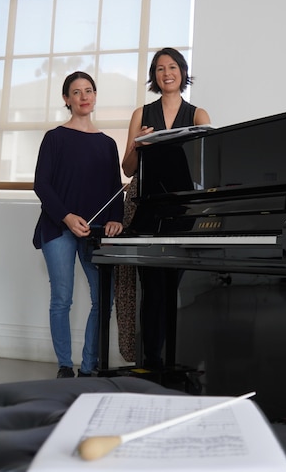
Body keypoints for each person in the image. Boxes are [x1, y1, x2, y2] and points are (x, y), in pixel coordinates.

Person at [120, 47, 210, 369]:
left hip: (183, 214)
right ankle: (150, 361)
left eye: (173, 67)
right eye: (160, 68)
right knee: (152, 290)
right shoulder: (141, 114)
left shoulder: (198, 114)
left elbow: (206, 169)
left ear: (183, 72)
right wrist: (138, 145)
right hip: (147, 211)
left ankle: (177, 360)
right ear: (154, 76)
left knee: (175, 287)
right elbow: (128, 169)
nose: (167, 73)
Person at [33, 71, 124, 379]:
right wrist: (67, 217)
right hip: (58, 227)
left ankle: (88, 366)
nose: (84, 96)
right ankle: (64, 366)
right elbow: (42, 185)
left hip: (94, 232)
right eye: (76, 92)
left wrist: (116, 218)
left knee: (103, 299)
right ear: (66, 99)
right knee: (62, 297)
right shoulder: (54, 138)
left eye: (89, 90)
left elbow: (115, 187)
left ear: (95, 96)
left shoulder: (108, 144)